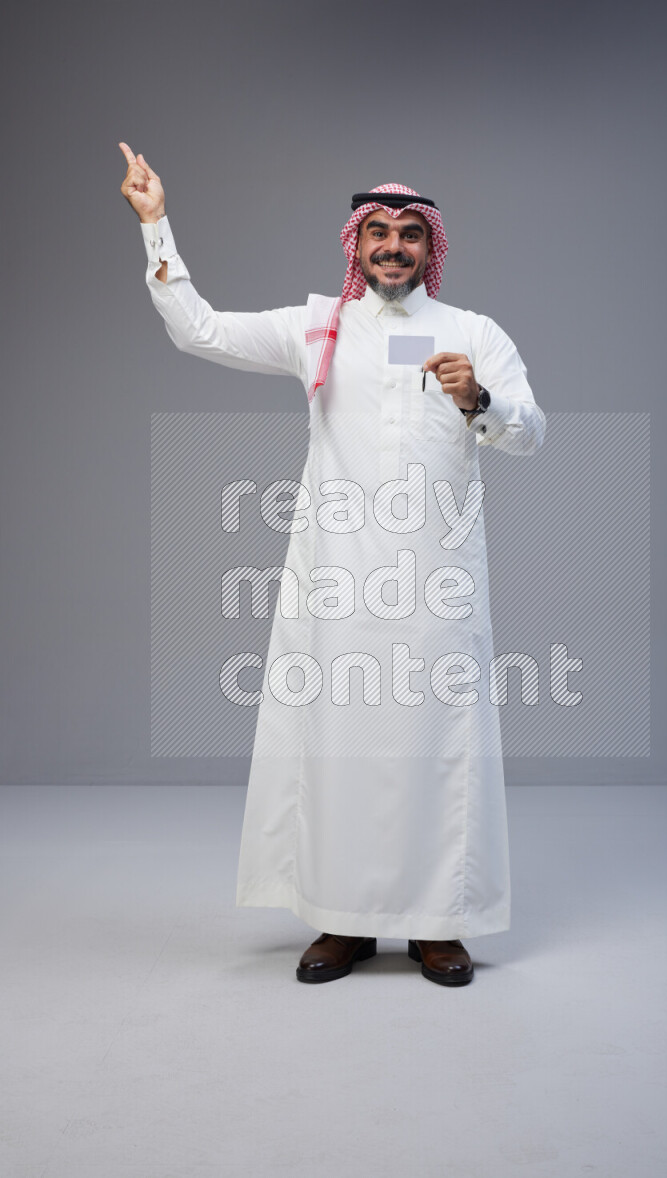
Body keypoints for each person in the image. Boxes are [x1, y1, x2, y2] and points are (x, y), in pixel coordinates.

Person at [119, 142, 546, 987]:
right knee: (337, 747)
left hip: (435, 582)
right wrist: (155, 224)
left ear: (431, 248)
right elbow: (199, 329)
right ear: (355, 245)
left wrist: (478, 400)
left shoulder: (474, 334)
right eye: (377, 232)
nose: (392, 246)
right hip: (338, 579)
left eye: (409, 235)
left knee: (435, 746)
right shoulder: (319, 324)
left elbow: (531, 431)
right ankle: (341, 921)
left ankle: (437, 927)